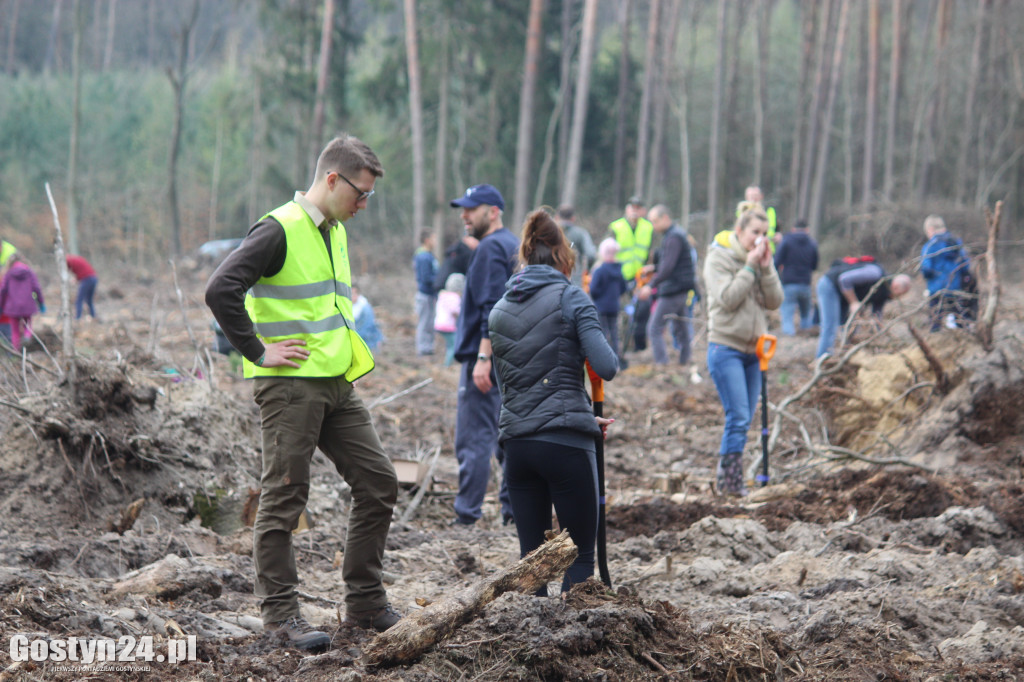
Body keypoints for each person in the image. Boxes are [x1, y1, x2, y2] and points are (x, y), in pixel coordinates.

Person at [205, 134, 401, 651]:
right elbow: (220, 288)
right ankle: (281, 618)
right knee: (285, 497)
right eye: (360, 193)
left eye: (369, 197)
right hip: (290, 386)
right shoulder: (279, 228)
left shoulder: (334, 230)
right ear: (331, 179)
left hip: (335, 382)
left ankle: (364, 602)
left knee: (379, 482)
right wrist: (256, 350)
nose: (363, 205)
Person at [488, 209, 618, 593]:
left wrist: (581, 416)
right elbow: (606, 366)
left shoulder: (498, 310)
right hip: (566, 446)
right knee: (578, 556)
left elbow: (509, 387)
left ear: (525, 256)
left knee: (532, 563)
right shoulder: (571, 297)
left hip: (519, 449)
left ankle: (532, 647)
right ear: (564, 257)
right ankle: (574, 650)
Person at [449, 184, 519, 527]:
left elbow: (492, 308)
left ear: (492, 211)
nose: (464, 215)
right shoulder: (512, 244)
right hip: (510, 359)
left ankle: (466, 516)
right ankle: (514, 512)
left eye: (471, 209)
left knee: (474, 437)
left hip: (488, 360)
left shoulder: (491, 248)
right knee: (508, 438)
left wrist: (482, 357)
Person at [703, 208, 783, 496]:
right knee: (737, 416)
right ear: (739, 231)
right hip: (726, 348)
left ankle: (728, 482)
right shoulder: (718, 258)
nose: (760, 240)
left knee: (746, 418)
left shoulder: (760, 261)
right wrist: (749, 267)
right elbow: (727, 299)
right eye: (755, 233)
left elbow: (775, 301)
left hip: (754, 352)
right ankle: (731, 484)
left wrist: (767, 267)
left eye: (765, 234)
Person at [638, 205, 701, 381]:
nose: (653, 225)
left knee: (654, 328)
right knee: (681, 327)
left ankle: (662, 365)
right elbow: (670, 264)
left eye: (655, 221)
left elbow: (669, 267)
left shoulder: (673, 237)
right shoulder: (676, 234)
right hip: (682, 289)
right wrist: (655, 267)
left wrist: (650, 285)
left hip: (674, 290)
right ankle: (685, 360)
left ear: (665, 218)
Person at [815, 257, 912, 358]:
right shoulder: (874, 273)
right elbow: (844, 279)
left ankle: (843, 355)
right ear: (895, 286)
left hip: (843, 294)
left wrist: (878, 333)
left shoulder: (884, 294)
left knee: (846, 325)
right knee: (830, 325)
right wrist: (853, 302)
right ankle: (822, 360)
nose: (897, 298)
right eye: (899, 295)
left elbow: (876, 315)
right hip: (830, 285)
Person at [608, 196, 654, 351]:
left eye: (637, 208)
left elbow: (651, 253)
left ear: (642, 210)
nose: (634, 211)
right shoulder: (616, 226)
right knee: (620, 312)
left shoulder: (648, 227)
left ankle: (636, 345)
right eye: (631, 207)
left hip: (640, 278)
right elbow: (607, 251)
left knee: (640, 312)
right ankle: (620, 345)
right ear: (627, 209)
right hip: (619, 277)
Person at [920, 215, 972, 331]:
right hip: (955, 287)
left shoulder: (930, 246)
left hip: (936, 290)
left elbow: (926, 268)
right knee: (959, 318)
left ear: (930, 229)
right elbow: (965, 266)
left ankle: (936, 339)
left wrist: (928, 277)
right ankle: (964, 340)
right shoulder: (956, 243)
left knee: (935, 320)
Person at [773, 219, 818, 335]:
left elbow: (776, 262)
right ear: (807, 230)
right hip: (805, 283)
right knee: (806, 314)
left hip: (789, 283)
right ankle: (806, 336)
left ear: (793, 229)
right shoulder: (812, 243)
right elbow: (814, 265)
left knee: (787, 313)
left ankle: (789, 338)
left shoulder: (786, 241)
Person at [588, 238, 628, 366]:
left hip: (601, 307)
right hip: (614, 307)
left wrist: (598, 298)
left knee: (603, 334)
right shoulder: (619, 270)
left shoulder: (599, 271)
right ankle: (616, 360)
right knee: (614, 334)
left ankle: (605, 362)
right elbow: (624, 288)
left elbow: (593, 289)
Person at [0, 256, 44, 352]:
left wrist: (2, 305)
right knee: (28, 325)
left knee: (15, 330)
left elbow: (3, 291)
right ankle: (27, 337)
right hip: (27, 305)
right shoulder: (30, 273)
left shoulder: (8, 274)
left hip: (12, 306)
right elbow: (37, 288)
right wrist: (41, 303)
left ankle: (16, 351)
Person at [557, 204, 596, 287]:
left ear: (557, 217)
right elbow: (591, 255)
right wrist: (587, 270)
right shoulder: (580, 234)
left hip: (552, 279)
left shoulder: (550, 233)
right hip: (574, 280)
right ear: (573, 218)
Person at [413, 231, 438, 355]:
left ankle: (428, 348)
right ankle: (422, 349)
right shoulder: (423, 256)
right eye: (434, 238)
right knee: (424, 322)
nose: (436, 241)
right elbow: (426, 278)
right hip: (424, 295)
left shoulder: (429, 255)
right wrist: (439, 281)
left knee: (429, 322)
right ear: (427, 240)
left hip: (430, 295)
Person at [434, 273, 464, 367]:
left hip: (439, 324)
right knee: (454, 346)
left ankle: (448, 362)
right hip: (448, 326)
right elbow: (454, 310)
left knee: (450, 345)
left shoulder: (443, 295)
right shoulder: (454, 297)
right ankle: (448, 365)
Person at [737, 185, 780, 252]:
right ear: (746, 197)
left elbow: (776, 229)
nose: (753, 198)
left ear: (761, 196)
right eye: (751, 196)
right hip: (746, 249)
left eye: (756, 195)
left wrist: (778, 236)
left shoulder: (769, 211)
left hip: (767, 249)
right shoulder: (742, 211)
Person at [66, 254, 99, 320]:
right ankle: (93, 316)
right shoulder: (77, 259)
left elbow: (83, 273)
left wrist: (75, 279)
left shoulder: (68, 261)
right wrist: (77, 279)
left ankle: (78, 318)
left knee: (79, 299)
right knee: (89, 300)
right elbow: (82, 271)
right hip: (94, 278)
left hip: (87, 279)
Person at [352, 283, 383, 351]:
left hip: (367, 341)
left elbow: (366, 328)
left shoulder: (365, 309)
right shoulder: (349, 306)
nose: (352, 296)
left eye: (354, 293)